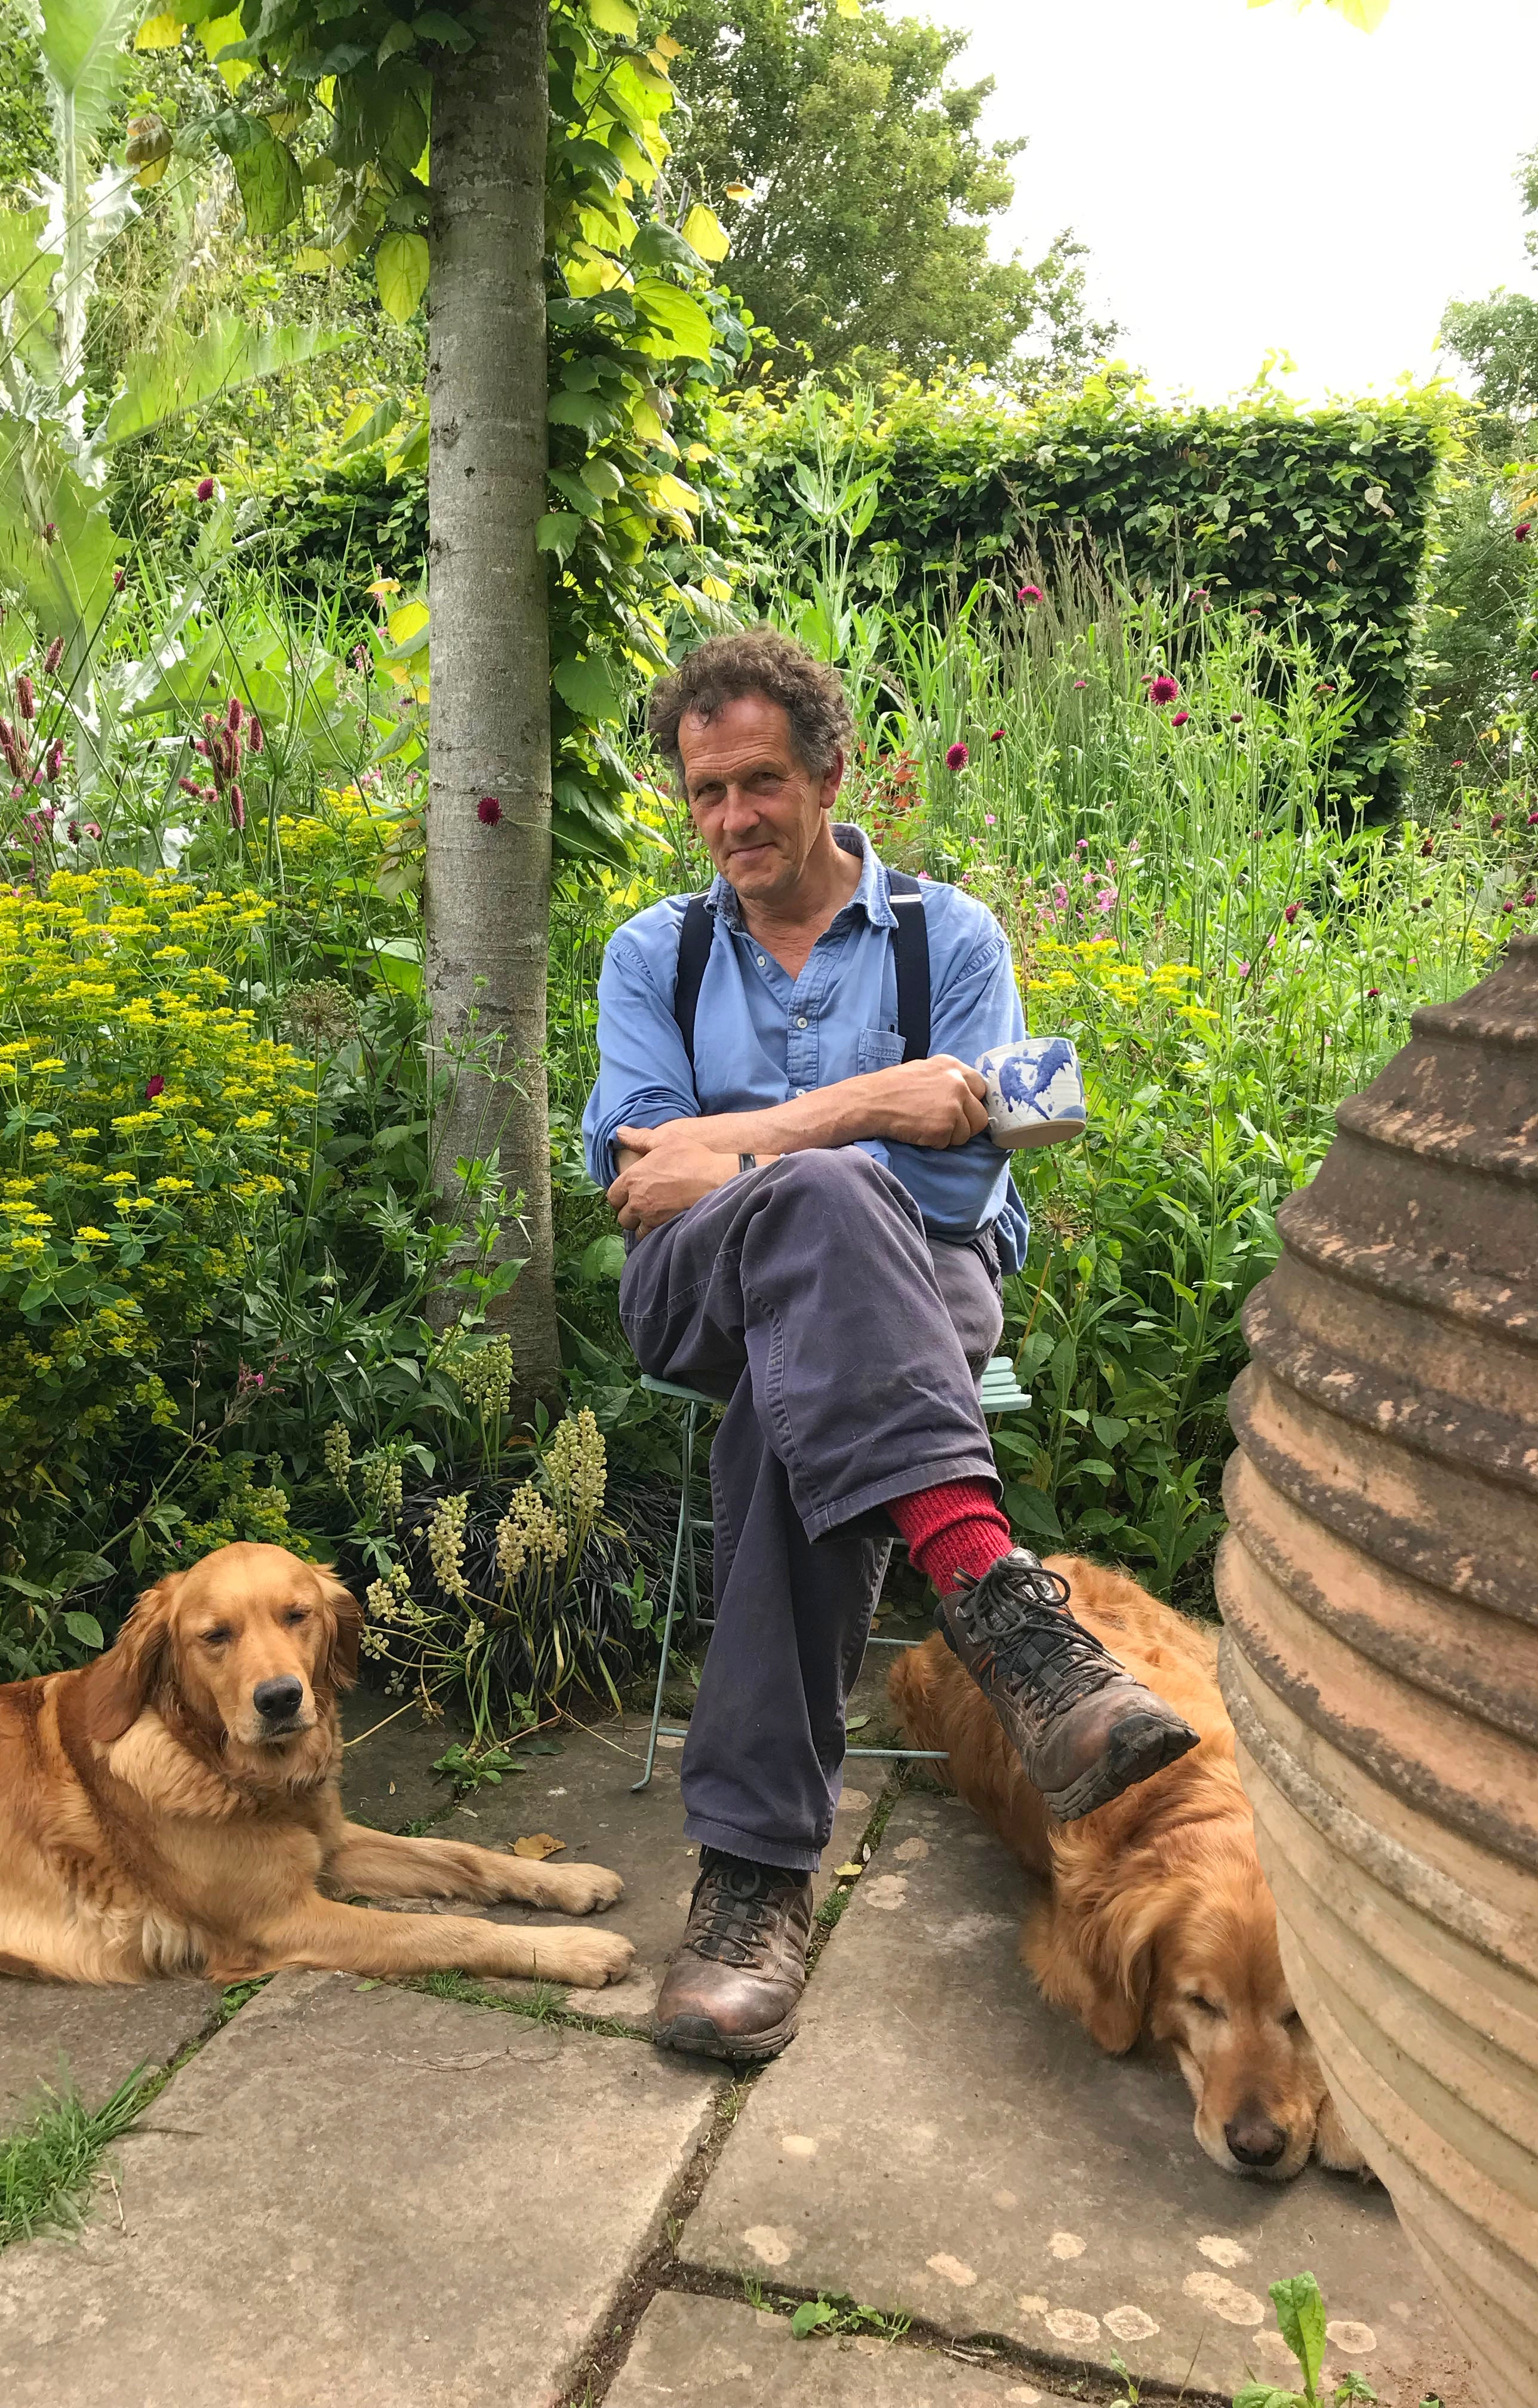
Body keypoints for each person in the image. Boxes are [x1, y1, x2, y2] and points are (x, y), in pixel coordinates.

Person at [582, 629, 1196, 2065]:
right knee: (837, 1190)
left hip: (927, 1287)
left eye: (762, 784)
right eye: (706, 794)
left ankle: (750, 1883)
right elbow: (641, 1175)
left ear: (832, 774)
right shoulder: (651, 953)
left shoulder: (954, 938)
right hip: (700, 1296)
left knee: (786, 1414)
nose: (733, 820)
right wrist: (865, 1113)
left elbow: (1002, 1145)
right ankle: (999, 1608)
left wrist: (749, 1148)